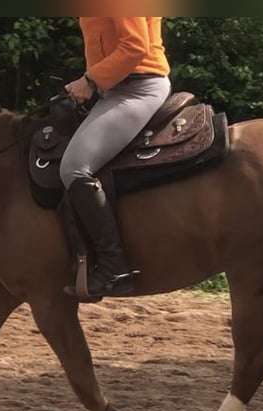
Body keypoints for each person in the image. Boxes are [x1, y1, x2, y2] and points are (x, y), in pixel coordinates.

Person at [60, 17, 171, 300]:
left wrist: (90, 80)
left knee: (74, 168)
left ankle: (114, 267)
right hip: (114, 90)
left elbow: (135, 46)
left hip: (137, 88)